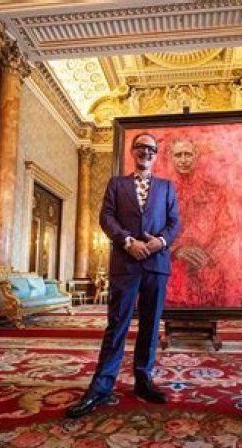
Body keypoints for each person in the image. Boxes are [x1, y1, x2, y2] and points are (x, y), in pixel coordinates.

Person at [66, 132, 181, 419]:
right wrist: (128, 242)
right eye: (141, 147)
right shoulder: (116, 184)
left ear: (156, 154)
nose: (146, 152)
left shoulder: (167, 187)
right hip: (126, 263)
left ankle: (144, 380)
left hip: (156, 264)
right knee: (117, 324)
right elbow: (106, 218)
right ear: (132, 151)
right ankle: (101, 387)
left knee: (150, 325)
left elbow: (174, 222)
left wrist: (160, 242)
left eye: (151, 148)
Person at [166, 137, 242, 307]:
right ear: (171, 157)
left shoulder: (215, 191)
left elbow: (228, 229)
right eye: (178, 155)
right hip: (172, 274)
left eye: (188, 154)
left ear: (196, 156)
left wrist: (208, 256)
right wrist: (175, 250)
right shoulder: (163, 192)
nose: (183, 160)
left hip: (209, 273)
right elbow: (155, 230)